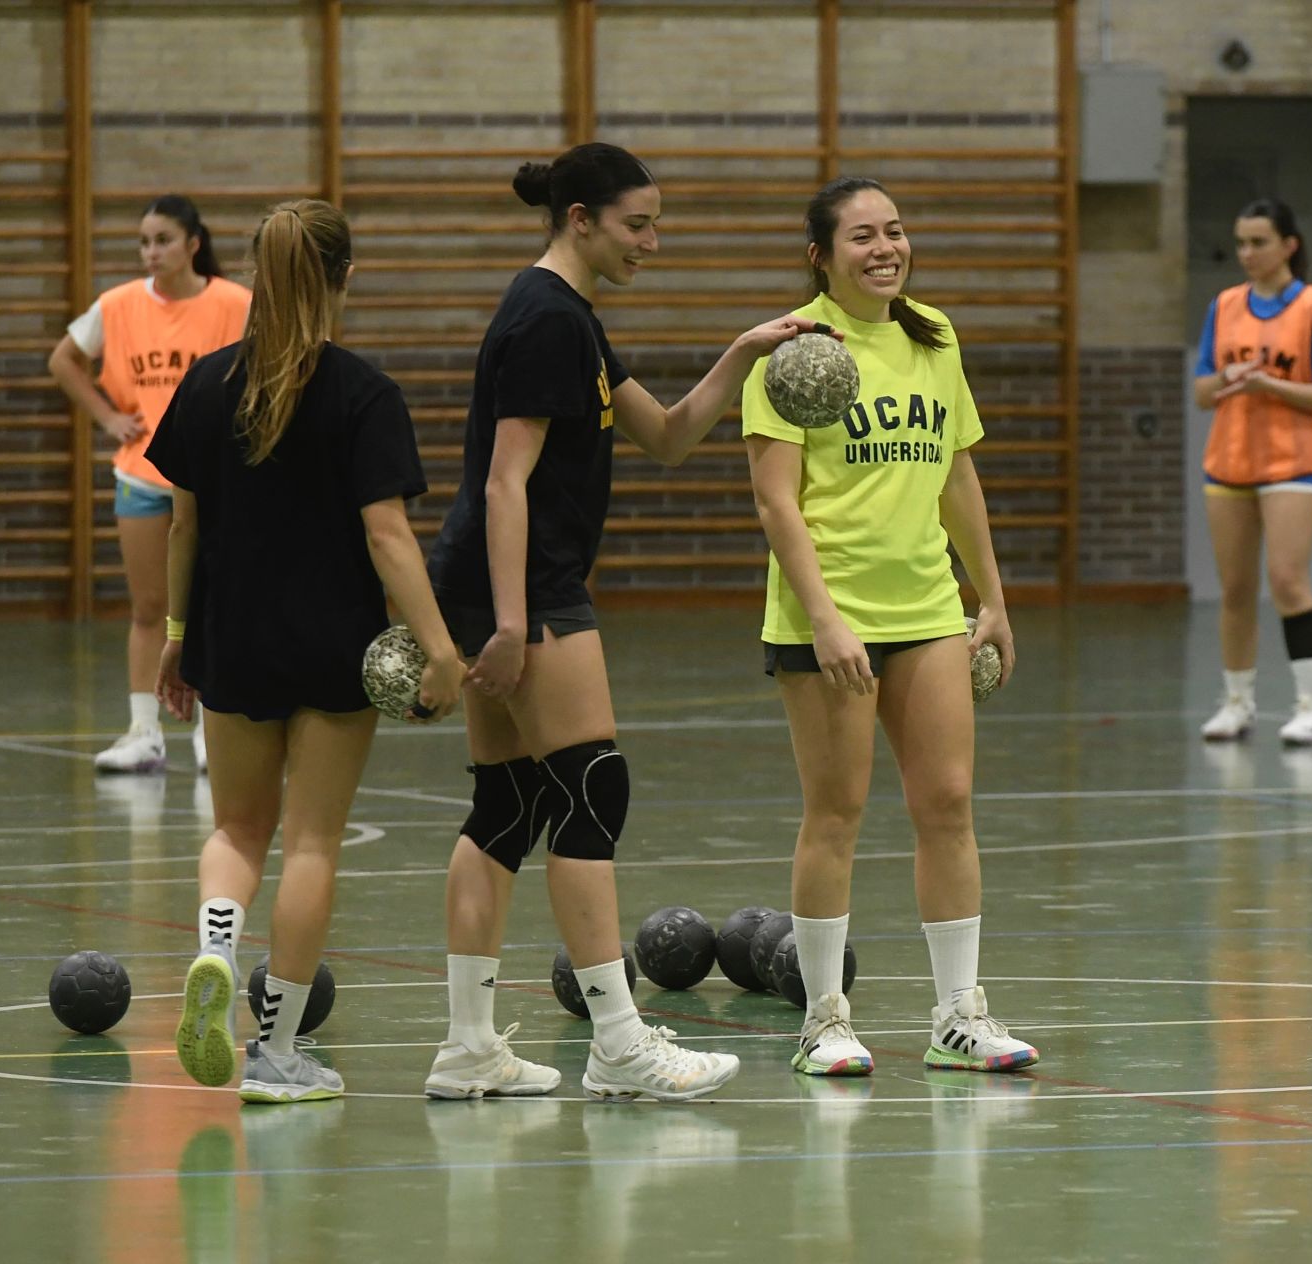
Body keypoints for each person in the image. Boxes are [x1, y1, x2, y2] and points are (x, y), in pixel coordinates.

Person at [422, 142, 827, 1102]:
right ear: (580, 220)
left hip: (496, 583)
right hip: (523, 587)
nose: (652, 240)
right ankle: (618, 1042)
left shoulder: (574, 321)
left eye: (656, 223)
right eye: (636, 224)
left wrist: (745, 350)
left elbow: (672, 437)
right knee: (592, 792)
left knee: (508, 808)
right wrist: (515, 621)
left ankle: (468, 1048)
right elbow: (503, 479)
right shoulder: (546, 319)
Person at [152, 199, 463, 1102]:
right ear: (344, 278)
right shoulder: (363, 393)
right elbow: (389, 537)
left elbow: (182, 526)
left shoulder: (207, 384)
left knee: (235, 829)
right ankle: (276, 1052)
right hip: (335, 647)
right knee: (313, 841)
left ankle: (215, 949)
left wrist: (176, 639)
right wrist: (439, 650)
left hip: (231, 636)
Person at [742, 175, 1040, 1077]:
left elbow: (957, 475)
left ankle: (958, 1015)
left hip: (926, 610)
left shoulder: (934, 336)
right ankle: (823, 1018)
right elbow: (775, 500)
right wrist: (826, 621)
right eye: (863, 236)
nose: (885, 248)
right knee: (835, 813)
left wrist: (989, 598)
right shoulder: (793, 352)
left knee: (947, 804)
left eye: (896, 232)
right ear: (821, 257)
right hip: (827, 615)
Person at [49, 194, 250, 774]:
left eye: (162, 240)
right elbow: (63, 360)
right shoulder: (116, 305)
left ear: (193, 243)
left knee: (213, 604)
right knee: (150, 607)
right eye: (143, 242)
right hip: (143, 473)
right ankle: (144, 731)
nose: (151, 252)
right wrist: (109, 417)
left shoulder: (236, 303)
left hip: (214, 478)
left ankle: (214, 728)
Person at [1191, 198, 1312, 747]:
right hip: (1231, 460)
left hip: (1293, 463)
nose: (1247, 253)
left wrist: (1269, 384)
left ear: (1289, 245)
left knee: (1286, 580)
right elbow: (1201, 390)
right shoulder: (1225, 305)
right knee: (1235, 589)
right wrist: (1228, 379)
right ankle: (1237, 703)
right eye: (1241, 242)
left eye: (1259, 241)